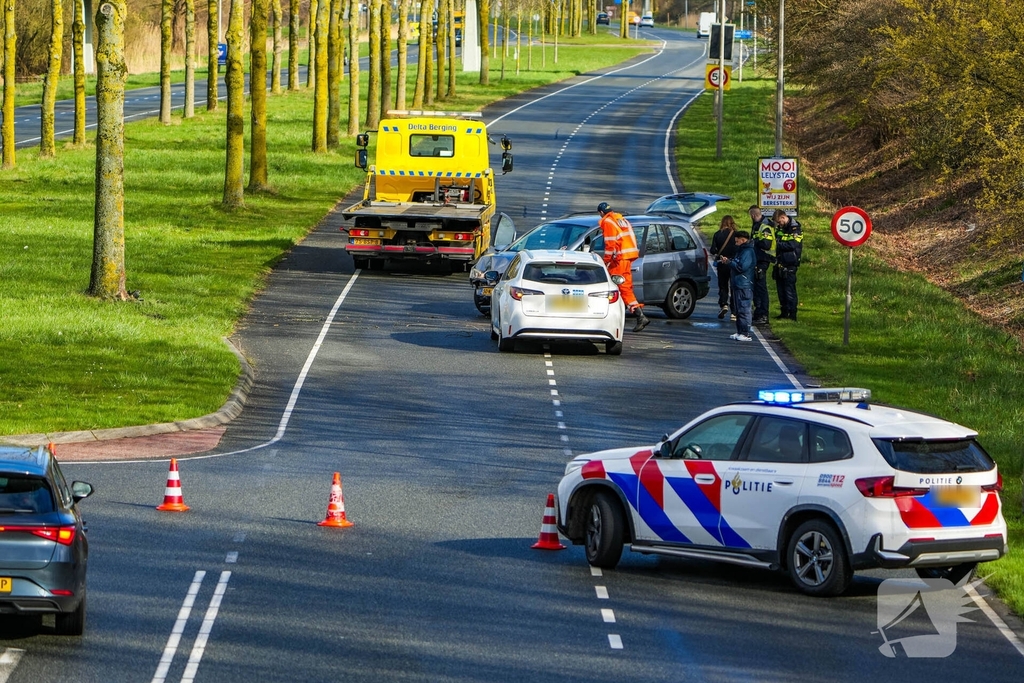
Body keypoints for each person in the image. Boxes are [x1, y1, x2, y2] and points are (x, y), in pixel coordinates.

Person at [598, 202, 649, 332]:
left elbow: (610, 244)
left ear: (601, 213)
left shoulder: (608, 222)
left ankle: (639, 315)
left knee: (621, 287)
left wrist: (606, 262)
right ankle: (633, 313)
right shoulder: (621, 219)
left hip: (619, 259)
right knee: (625, 287)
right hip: (627, 257)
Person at [720, 230, 755, 341]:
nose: (735, 243)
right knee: (739, 309)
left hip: (743, 284)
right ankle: (740, 331)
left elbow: (742, 267)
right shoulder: (741, 250)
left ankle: (745, 333)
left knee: (744, 308)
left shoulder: (748, 252)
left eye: (737, 241)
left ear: (743, 240)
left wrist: (730, 263)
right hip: (738, 284)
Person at [773, 210, 803, 320]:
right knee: (781, 290)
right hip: (780, 262)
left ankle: (792, 314)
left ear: (783, 217)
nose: (778, 224)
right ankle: (784, 312)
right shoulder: (781, 229)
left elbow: (793, 245)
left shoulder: (795, 229)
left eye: (779, 222)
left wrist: (778, 244)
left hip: (790, 262)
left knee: (789, 290)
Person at [749, 205, 775, 324]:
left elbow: (766, 244)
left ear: (753, 215)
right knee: (756, 288)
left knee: (761, 288)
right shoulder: (757, 225)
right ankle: (758, 313)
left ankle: (763, 315)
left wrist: (755, 242)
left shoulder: (765, 226)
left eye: (751, 215)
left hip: (763, 259)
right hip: (757, 259)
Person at [710, 215, 739, 319]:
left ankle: (723, 304)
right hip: (733, 263)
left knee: (723, 285)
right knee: (734, 286)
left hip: (722, 262)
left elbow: (713, 250)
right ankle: (734, 312)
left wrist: (719, 253)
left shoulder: (718, 234)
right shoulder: (736, 234)